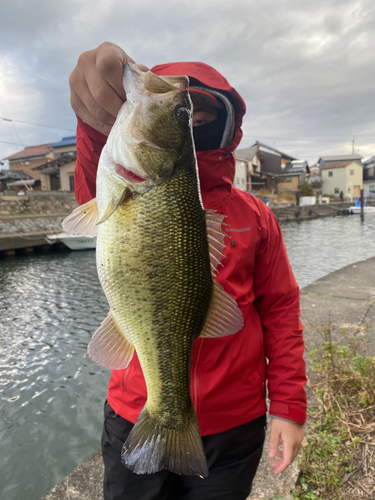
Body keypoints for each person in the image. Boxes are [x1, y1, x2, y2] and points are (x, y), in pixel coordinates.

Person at [69, 42, 307, 500]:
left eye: (199, 118)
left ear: (226, 128)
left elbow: (280, 309)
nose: (191, 122)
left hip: (234, 424)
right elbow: (91, 184)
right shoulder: (118, 178)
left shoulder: (255, 215)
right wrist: (95, 125)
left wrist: (289, 407)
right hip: (134, 411)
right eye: (184, 117)